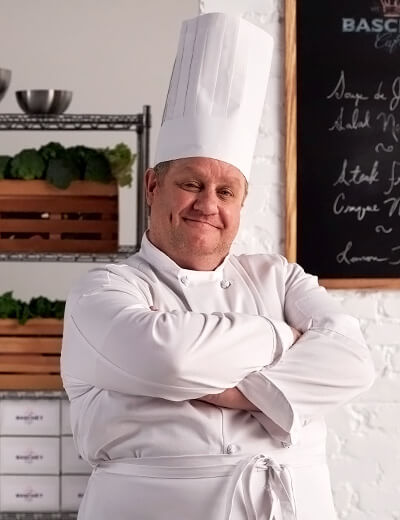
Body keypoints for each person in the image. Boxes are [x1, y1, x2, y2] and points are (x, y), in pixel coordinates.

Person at [61, 12, 375, 520]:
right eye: (191, 183)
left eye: (225, 191)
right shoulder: (102, 291)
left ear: (240, 203)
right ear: (152, 187)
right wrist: (281, 338)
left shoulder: (279, 276)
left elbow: (353, 361)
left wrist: (240, 392)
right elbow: (171, 360)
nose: (208, 204)